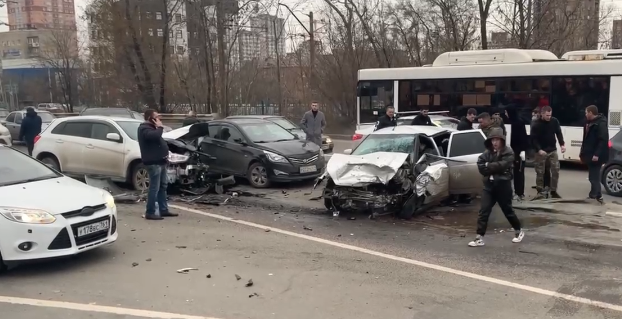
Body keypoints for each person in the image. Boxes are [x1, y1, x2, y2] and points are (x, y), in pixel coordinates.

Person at [469, 127, 524, 247]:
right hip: (489, 186)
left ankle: (518, 231)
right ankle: (479, 237)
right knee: (484, 211)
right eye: (493, 140)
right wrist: (489, 166)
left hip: (503, 186)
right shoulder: (488, 152)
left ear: (502, 140)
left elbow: (502, 165)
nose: (494, 142)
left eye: (497, 140)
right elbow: (480, 164)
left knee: (507, 210)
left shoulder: (508, 152)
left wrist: (488, 165)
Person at [138, 109, 178, 220]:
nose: (159, 118)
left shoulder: (152, 128)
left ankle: (163, 209)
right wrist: (160, 127)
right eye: (156, 117)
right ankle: (150, 212)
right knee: (154, 187)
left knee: (163, 186)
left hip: (161, 161)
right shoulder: (144, 128)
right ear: (151, 118)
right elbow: (154, 136)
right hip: (153, 162)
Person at [531, 106, 565, 199]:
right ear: (542, 114)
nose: (549, 117)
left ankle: (553, 191)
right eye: (547, 115)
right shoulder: (536, 124)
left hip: (552, 150)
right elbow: (533, 139)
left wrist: (562, 144)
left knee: (555, 170)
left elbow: (558, 133)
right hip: (541, 151)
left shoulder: (554, 121)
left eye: (550, 115)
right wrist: (539, 149)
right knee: (540, 172)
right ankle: (540, 191)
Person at [580, 105, 609, 203]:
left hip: (596, 156)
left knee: (594, 177)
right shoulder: (589, 122)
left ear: (591, 113)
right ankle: (595, 195)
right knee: (593, 176)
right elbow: (586, 140)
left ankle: (596, 196)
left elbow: (603, 140)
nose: (585, 114)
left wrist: (597, 154)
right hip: (590, 154)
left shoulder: (600, 123)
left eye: (586, 113)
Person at [504, 105, 529, 201]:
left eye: (506, 112)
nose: (505, 114)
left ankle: (519, 193)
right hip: (510, 151)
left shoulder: (519, 123)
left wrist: (521, 151)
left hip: (518, 152)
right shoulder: (508, 122)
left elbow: (523, 138)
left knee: (518, 172)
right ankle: (512, 192)